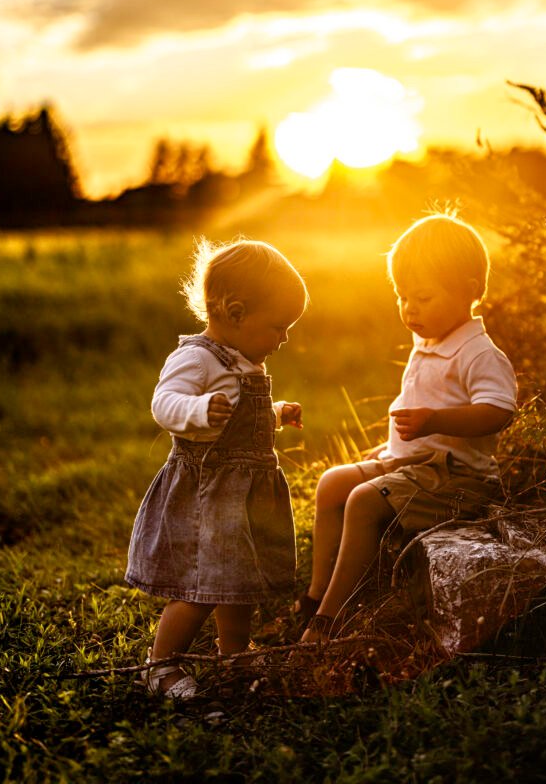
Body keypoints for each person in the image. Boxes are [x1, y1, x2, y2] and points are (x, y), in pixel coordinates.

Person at [298, 211, 517, 642]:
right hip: (413, 463)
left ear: (469, 292)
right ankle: (314, 595)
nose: (409, 309)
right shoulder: (430, 341)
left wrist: (435, 420)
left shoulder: (478, 353)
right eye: (401, 297)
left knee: (362, 500)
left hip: (457, 476)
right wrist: (387, 451)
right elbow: (415, 405)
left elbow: (498, 412)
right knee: (332, 483)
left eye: (422, 297)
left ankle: (330, 618)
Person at [125, 238, 308, 698]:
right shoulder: (196, 357)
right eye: (279, 326)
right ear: (236, 311)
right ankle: (161, 665)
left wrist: (276, 413)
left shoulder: (246, 360)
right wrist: (200, 409)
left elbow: (244, 417)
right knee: (199, 586)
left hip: (241, 498)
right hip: (207, 494)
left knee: (238, 582)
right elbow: (164, 403)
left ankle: (235, 655)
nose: (283, 338)